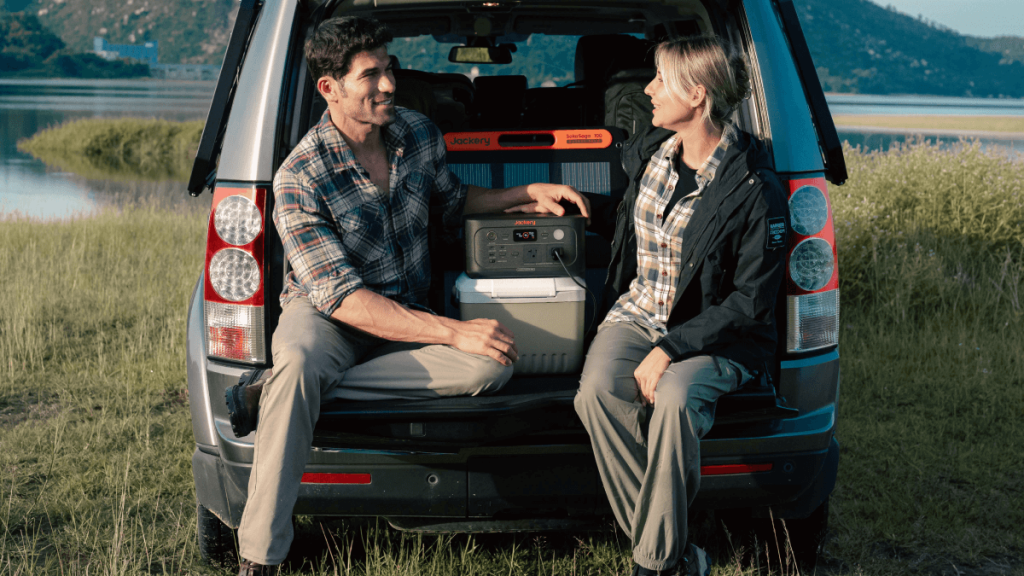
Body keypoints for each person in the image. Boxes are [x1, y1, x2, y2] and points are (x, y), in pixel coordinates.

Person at [228, 16, 590, 576]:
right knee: (299, 360)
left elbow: (451, 201)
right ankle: (261, 555)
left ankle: (282, 394)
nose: (390, 85)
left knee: (490, 366)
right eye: (371, 75)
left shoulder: (417, 135)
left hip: (407, 314)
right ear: (330, 88)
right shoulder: (300, 176)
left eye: (389, 69)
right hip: (331, 319)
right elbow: (343, 298)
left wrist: (525, 194)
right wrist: (452, 329)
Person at [574, 37, 788, 576]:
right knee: (596, 393)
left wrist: (670, 348)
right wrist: (580, 207)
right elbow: (641, 226)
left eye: (660, 80)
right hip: (638, 313)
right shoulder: (652, 154)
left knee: (673, 399)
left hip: (715, 334)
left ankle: (653, 565)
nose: (646, 90)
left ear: (697, 95)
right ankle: (673, 556)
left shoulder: (753, 188)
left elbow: (748, 302)